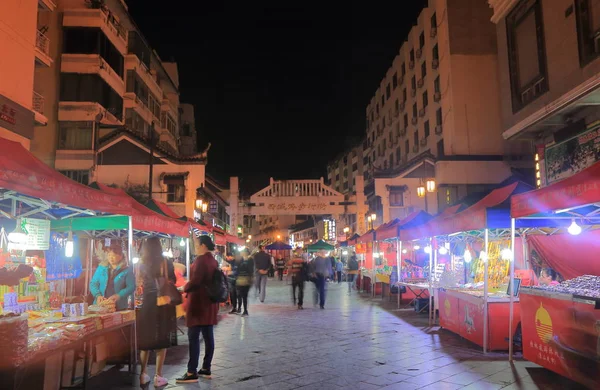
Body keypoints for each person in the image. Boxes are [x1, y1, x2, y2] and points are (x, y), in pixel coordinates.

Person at [176, 235, 219, 384]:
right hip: (209, 304)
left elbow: (195, 281)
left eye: (196, 244)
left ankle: (191, 371)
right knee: (208, 336)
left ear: (203, 245)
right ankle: (206, 368)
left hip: (199, 304)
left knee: (193, 337)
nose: (195, 246)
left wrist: (183, 287)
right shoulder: (212, 260)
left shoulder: (201, 260)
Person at [136, 237, 176, 387]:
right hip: (162, 304)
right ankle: (158, 376)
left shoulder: (142, 263)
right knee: (161, 340)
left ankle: (143, 374)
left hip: (146, 304)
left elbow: (140, 282)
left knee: (145, 340)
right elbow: (172, 280)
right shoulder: (166, 262)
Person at [90, 242, 135, 311]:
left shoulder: (126, 270)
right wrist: (97, 295)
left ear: (120, 256)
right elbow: (93, 283)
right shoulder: (101, 267)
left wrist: (119, 295)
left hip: (119, 307)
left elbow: (131, 287)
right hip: (100, 305)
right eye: (109, 255)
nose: (111, 258)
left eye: (113, 255)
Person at [235, 249, 254, 316]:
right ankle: (240, 308)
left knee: (244, 296)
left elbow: (250, 270)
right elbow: (238, 269)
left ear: (245, 253)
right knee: (239, 295)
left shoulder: (250, 260)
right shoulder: (240, 260)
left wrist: (250, 279)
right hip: (240, 279)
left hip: (246, 279)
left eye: (242, 252)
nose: (241, 253)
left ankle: (245, 310)